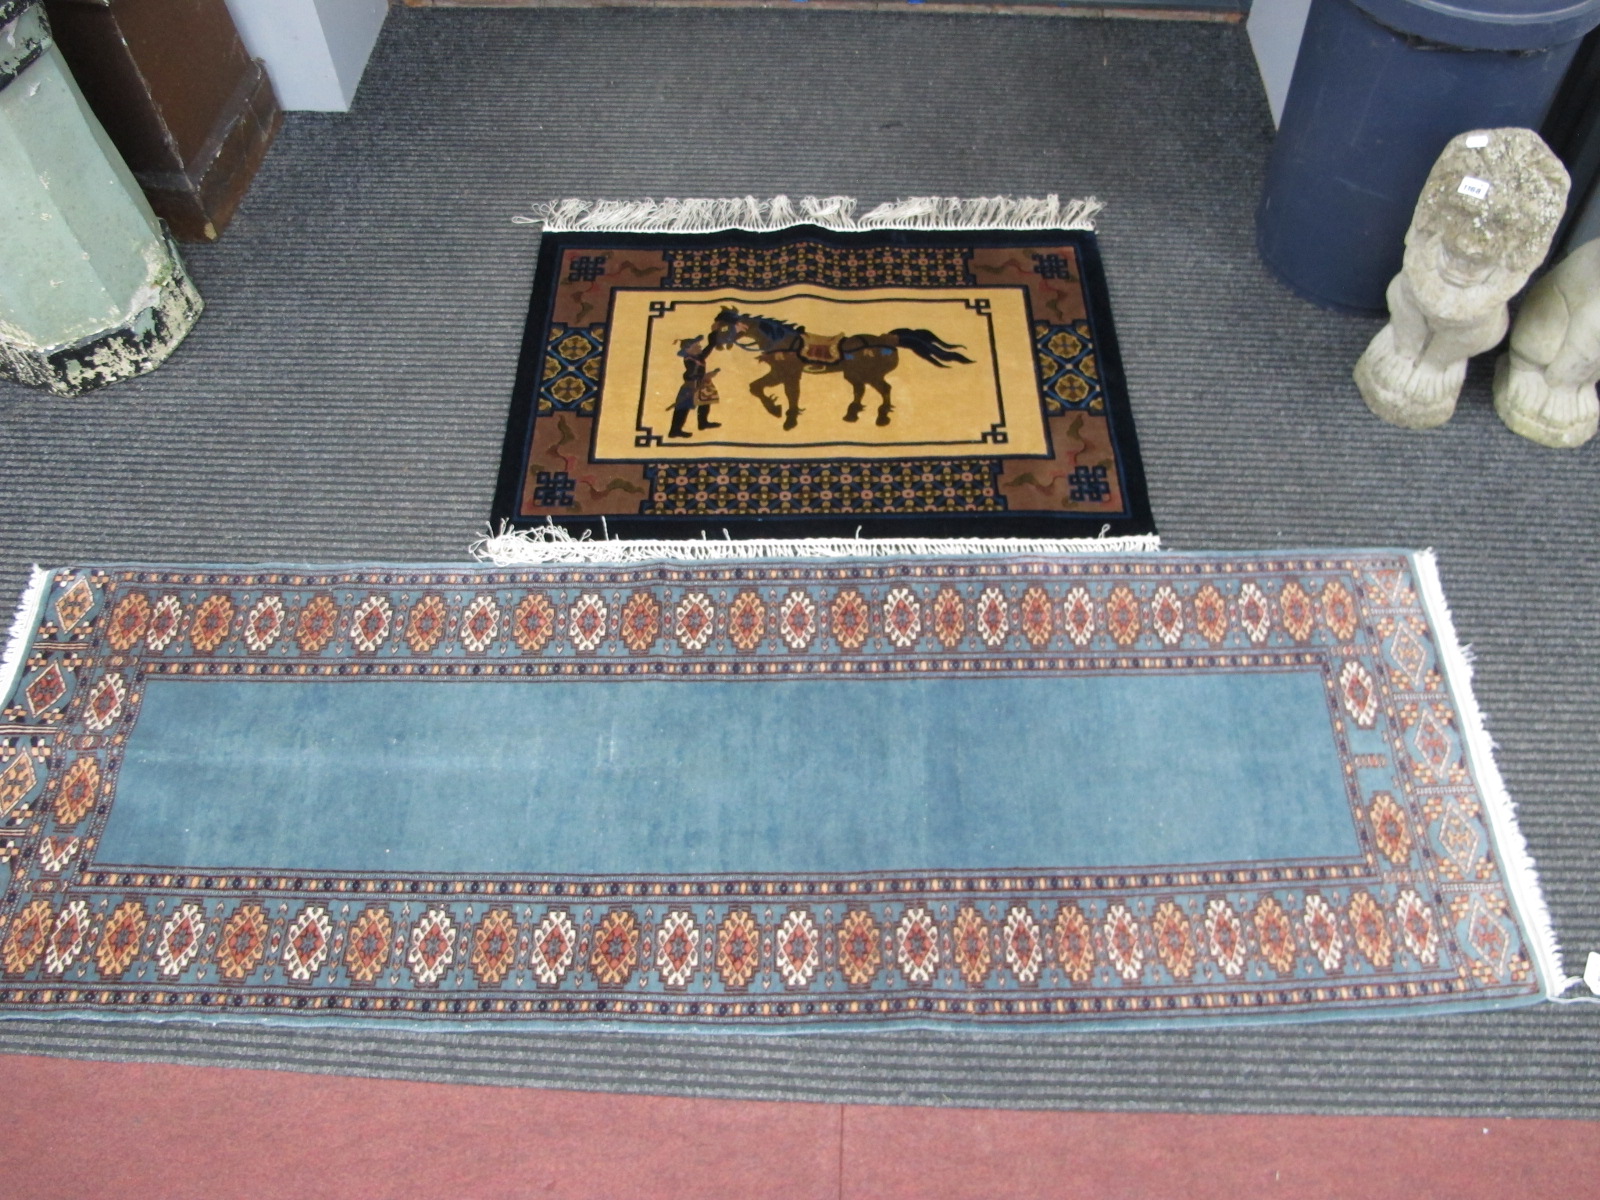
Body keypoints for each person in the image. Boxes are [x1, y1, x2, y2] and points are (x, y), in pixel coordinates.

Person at [668, 334, 721, 437]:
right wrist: (706, 375)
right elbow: (691, 374)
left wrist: (711, 343)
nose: (700, 347)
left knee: (705, 402)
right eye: (697, 346)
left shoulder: (697, 357)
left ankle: (703, 423)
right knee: (683, 407)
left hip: (700, 384)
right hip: (691, 386)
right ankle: (675, 430)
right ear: (688, 349)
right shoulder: (690, 360)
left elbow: (705, 352)